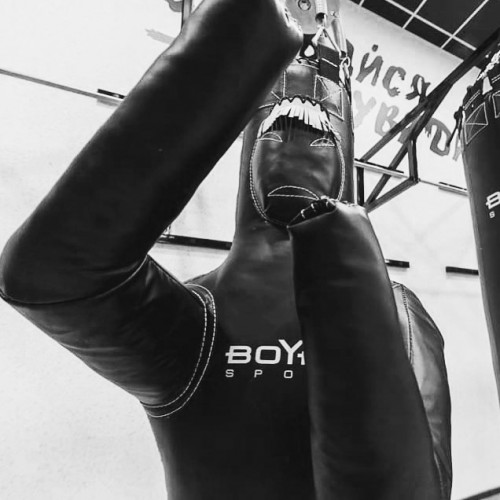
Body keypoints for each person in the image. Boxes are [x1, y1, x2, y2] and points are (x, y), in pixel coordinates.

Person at [0, 0, 451, 498]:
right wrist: (237, 35)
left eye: (324, 77)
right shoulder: (198, 319)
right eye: (274, 86)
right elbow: (49, 279)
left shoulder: (399, 309)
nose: (299, 99)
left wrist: (343, 257)